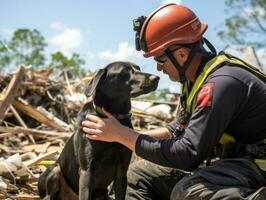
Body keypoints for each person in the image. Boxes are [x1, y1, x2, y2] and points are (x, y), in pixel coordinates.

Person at [82, 3, 266, 200]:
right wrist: (119, 134)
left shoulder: (220, 84)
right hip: (236, 162)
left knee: (188, 191)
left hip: (258, 164)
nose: (159, 69)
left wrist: (123, 135)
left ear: (181, 54)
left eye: (160, 60)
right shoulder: (194, 79)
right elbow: (177, 128)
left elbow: (187, 155)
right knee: (137, 175)